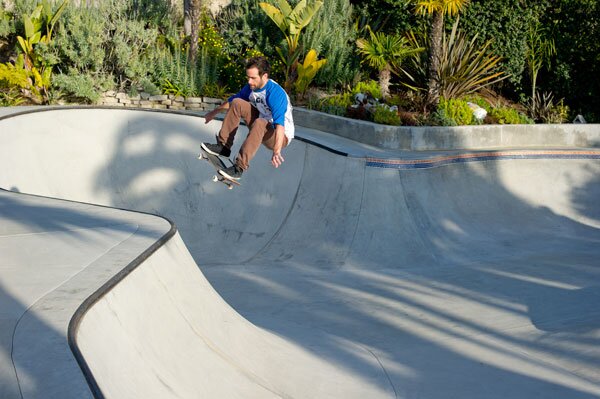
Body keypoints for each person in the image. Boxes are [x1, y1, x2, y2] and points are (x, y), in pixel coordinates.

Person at [201, 56, 294, 181]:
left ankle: (239, 167)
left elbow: (280, 125)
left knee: (261, 122)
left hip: (279, 136)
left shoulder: (275, 94)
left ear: (264, 76)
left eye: (253, 78)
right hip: (259, 124)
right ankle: (223, 147)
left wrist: (277, 151)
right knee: (237, 102)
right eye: (248, 77)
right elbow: (232, 101)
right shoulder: (251, 87)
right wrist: (213, 112)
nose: (250, 82)